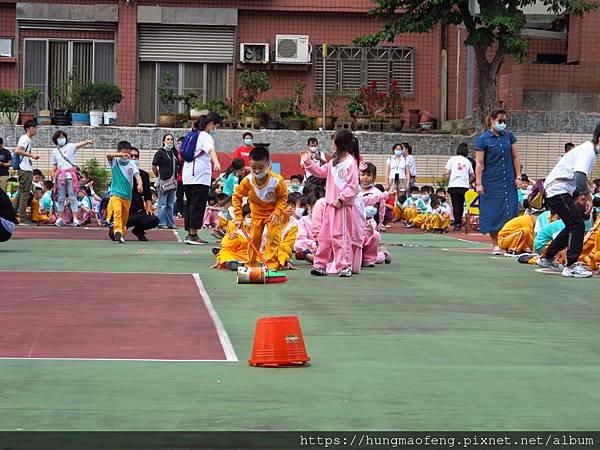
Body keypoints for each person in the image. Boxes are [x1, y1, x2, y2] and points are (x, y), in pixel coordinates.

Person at [537, 125, 600, 278]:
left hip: (558, 191)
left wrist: (582, 196)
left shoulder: (588, 150)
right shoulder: (588, 151)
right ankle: (571, 265)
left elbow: (577, 178)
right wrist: (589, 197)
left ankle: (547, 257)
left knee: (573, 223)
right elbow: (579, 177)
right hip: (557, 191)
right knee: (577, 224)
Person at [301, 129, 361, 277]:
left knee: (340, 236)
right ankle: (320, 265)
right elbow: (320, 172)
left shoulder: (350, 163)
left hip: (341, 207)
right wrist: (308, 162)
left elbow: (352, 186)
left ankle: (344, 265)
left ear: (340, 143)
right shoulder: (334, 162)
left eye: (333, 140)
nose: (331, 143)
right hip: (329, 206)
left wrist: (341, 199)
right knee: (325, 236)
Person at [231, 146, 287, 268]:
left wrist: (277, 212)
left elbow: (283, 197)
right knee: (254, 238)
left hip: (273, 214)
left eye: (261, 168)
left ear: (268, 165)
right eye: (253, 168)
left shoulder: (277, 180)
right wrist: (238, 216)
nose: (257, 171)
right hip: (256, 213)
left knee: (272, 237)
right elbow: (237, 196)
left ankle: (271, 265)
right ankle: (251, 264)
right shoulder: (247, 180)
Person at [474, 109, 521, 255]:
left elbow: (515, 158)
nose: (503, 124)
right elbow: (480, 163)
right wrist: (479, 183)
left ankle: (509, 243)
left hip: (508, 180)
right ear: (492, 120)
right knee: (493, 212)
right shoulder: (483, 139)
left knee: (510, 210)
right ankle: (496, 244)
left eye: (505, 121)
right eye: (500, 121)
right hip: (491, 181)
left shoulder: (509, 136)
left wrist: (518, 176)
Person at [182, 113, 222, 244]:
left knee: (190, 204)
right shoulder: (205, 136)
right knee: (197, 205)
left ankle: (189, 233)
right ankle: (193, 235)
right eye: (215, 126)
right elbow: (211, 150)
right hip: (200, 176)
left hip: (188, 176)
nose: (214, 129)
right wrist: (216, 162)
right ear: (210, 124)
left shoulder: (191, 134)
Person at [51, 130, 94, 227]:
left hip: (70, 176)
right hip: (60, 176)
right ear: (55, 139)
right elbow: (54, 165)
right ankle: (60, 218)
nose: (61, 139)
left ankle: (75, 219)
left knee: (72, 196)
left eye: (63, 137)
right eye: (59, 137)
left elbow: (78, 145)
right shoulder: (54, 151)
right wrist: (53, 173)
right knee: (61, 197)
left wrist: (87, 142)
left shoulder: (70, 146)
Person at [106, 141, 143, 243]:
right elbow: (108, 155)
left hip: (127, 196)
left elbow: (137, 175)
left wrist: (140, 184)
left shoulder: (131, 164)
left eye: (128, 153)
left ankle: (121, 233)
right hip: (116, 193)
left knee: (124, 217)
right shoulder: (114, 162)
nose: (126, 155)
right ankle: (117, 230)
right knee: (117, 211)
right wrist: (120, 155)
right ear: (119, 152)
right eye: (124, 153)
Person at [120, 146, 159, 241]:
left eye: (136, 156)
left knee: (153, 219)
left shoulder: (144, 175)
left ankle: (138, 230)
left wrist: (149, 208)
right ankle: (120, 229)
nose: (133, 158)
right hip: (123, 211)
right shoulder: (120, 173)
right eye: (131, 156)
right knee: (113, 236)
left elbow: (147, 195)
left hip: (138, 212)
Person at [13, 120, 39, 225]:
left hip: (24, 168)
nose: (36, 129)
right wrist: (31, 155)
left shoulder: (27, 139)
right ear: (28, 128)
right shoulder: (25, 138)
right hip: (24, 169)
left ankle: (12, 215)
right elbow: (18, 150)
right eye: (34, 127)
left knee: (20, 193)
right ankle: (22, 218)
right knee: (25, 194)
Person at [152, 133, 179, 230]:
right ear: (164, 141)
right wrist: (158, 176)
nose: (170, 141)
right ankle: (161, 222)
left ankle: (170, 223)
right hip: (163, 181)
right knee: (162, 203)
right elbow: (154, 166)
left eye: (171, 139)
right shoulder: (160, 152)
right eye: (168, 139)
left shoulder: (174, 152)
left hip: (173, 182)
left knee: (170, 204)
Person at [446, 143, 474, 231]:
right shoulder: (468, 161)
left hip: (454, 184)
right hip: (464, 186)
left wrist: (449, 179)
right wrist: (468, 182)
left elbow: (447, 172)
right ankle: (458, 222)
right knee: (461, 204)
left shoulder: (452, 159)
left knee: (455, 204)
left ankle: (457, 221)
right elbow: (472, 175)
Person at [174, 136, 185, 218]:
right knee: (179, 196)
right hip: (179, 178)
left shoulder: (186, 154)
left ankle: (185, 212)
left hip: (187, 179)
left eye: (180, 144)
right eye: (177, 144)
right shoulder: (175, 154)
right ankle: (178, 211)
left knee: (189, 196)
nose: (178, 146)